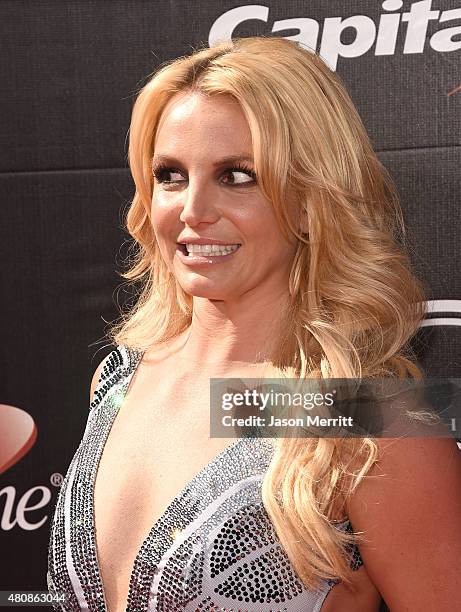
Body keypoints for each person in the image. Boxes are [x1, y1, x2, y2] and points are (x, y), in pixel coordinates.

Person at [47, 36, 461, 611]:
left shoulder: (365, 420)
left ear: (312, 197)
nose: (193, 210)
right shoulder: (118, 381)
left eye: (237, 175)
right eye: (169, 175)